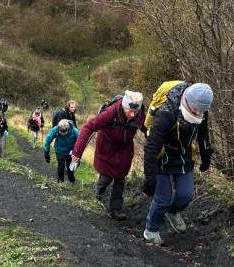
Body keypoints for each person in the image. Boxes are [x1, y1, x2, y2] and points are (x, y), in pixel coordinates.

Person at [141, 82, 214, 246]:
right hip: (162, 157)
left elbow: (203, 134)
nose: (199, 113)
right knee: (162, 199)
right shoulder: (167, 112)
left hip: (183, 157)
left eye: (202, 111)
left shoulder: (201, 111)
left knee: (186, 195)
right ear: (187, 101)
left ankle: (173, 213)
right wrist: (150, 177)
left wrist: (206, 156)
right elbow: (151, 145)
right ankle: (151, 230)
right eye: (196, 110)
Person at [71, 91, 146, 220]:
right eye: (130, 111)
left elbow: (147, 128)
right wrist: (77, 152)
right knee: (106, 177)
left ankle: (115, 209)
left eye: (135, 112)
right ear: (123, 107)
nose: (133, 115)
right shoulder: (111, 112)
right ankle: (96, 197)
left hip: (125, 149)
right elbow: (88, 128)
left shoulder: (139, 114)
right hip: (107, 147)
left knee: (120, 178)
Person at [43, 119, 80, 183]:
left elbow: (80, 143)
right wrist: (46, 152)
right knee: (61, 166)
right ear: (59, 128)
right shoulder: (55, 129)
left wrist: (78, 155)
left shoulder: (75, 131)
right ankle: (60, 181)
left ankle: (71, 180)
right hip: (59, 150)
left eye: (64, 132)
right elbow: (47, 140)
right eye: (61, 132)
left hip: (70, 151)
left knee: (70, 167)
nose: (63, 134)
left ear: (68, 128)